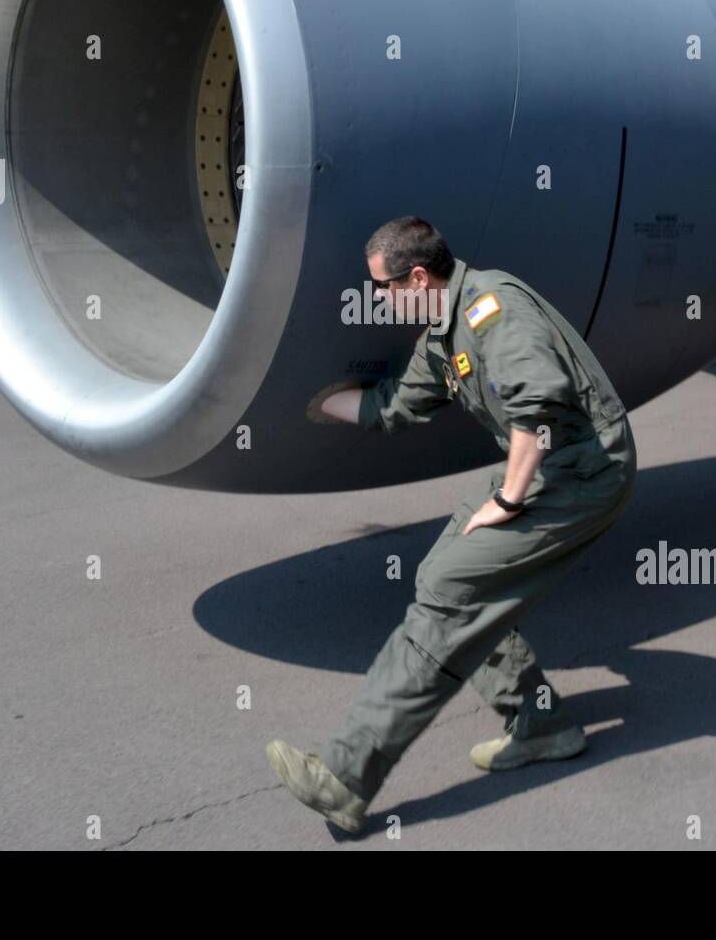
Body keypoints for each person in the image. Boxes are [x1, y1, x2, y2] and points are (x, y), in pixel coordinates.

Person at [266, 216, 637, 833]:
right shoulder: (440, 335)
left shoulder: (493, 309)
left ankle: (343, 778)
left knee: (449, 593)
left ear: (417, 277)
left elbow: (536, 404)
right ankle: (539, 721)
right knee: (447, 575)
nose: (377, 299)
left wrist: (511, 500)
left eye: (382, 287)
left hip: (582, 472)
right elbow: (394, 406)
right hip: (545, 470)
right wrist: (304, 404)